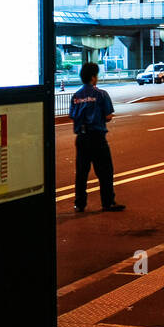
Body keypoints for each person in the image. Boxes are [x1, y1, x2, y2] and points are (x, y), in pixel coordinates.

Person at [69, 62, 125, 213]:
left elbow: (72, 116)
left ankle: (80, 203)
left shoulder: (76, 96)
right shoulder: (101, 94)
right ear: (93, 77)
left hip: (81, 137)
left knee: (81, 172)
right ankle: (108, 202)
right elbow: (108, 116)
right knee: (105, 171)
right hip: (97, 137)